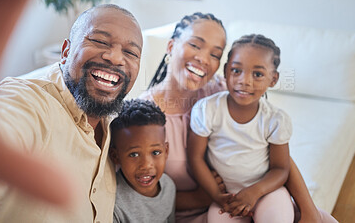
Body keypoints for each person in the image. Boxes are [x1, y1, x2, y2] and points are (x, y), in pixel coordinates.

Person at [140, 12, 338, 223]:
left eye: (215, 54)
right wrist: (202, 197)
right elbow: (140, 196)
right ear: (171, 46)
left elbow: (271, 148)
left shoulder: (221, 90)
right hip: (197, 214)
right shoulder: (142, 119)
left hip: (250, 199)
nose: (204, 59)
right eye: (196, 45)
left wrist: (308, 210)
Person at [0, 0, 143, 223]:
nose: (115, 57)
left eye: (130, 52)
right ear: (66, 52)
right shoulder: (29, 102)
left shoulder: (115, 129)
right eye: (100, 41)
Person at [188, 34, 294, 223]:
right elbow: (195, 158)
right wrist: (216, 195)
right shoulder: (207, 110)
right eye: (236, 70)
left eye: (258, 74)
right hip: (227, 197)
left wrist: (255, 192)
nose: (245, 81)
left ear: (273, 79)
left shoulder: (275, 119)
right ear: (226, 71)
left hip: (266, 192)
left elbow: (281, 169)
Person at [109, 99, 175, 223]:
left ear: (166, 151)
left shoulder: (168, 186)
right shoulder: (113, 203)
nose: (146, 165)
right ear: (115, 156)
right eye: (134, 154)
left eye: (155, 152)